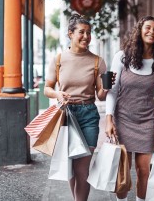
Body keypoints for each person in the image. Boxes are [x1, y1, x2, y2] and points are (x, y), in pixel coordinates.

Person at [44, 13, 110, 201]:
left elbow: (100, 95)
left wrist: (107, 87)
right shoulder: (58, 60)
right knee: (70, 168)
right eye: (81, 32)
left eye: (89, 33)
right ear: (70, 34)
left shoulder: (98, 61)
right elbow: (47, 89)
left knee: (83, 170)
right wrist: (57, 94)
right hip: (65, 116)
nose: (86, 37)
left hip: (88, 114)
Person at [105, 16, 154, 201]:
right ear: (140, 30)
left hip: (147, 120)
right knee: (123, 169)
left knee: (143, 170)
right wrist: (109, 119)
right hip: (122, 118)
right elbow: (112, 91)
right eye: (148, 27)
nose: (152, 32)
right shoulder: (122, 57)